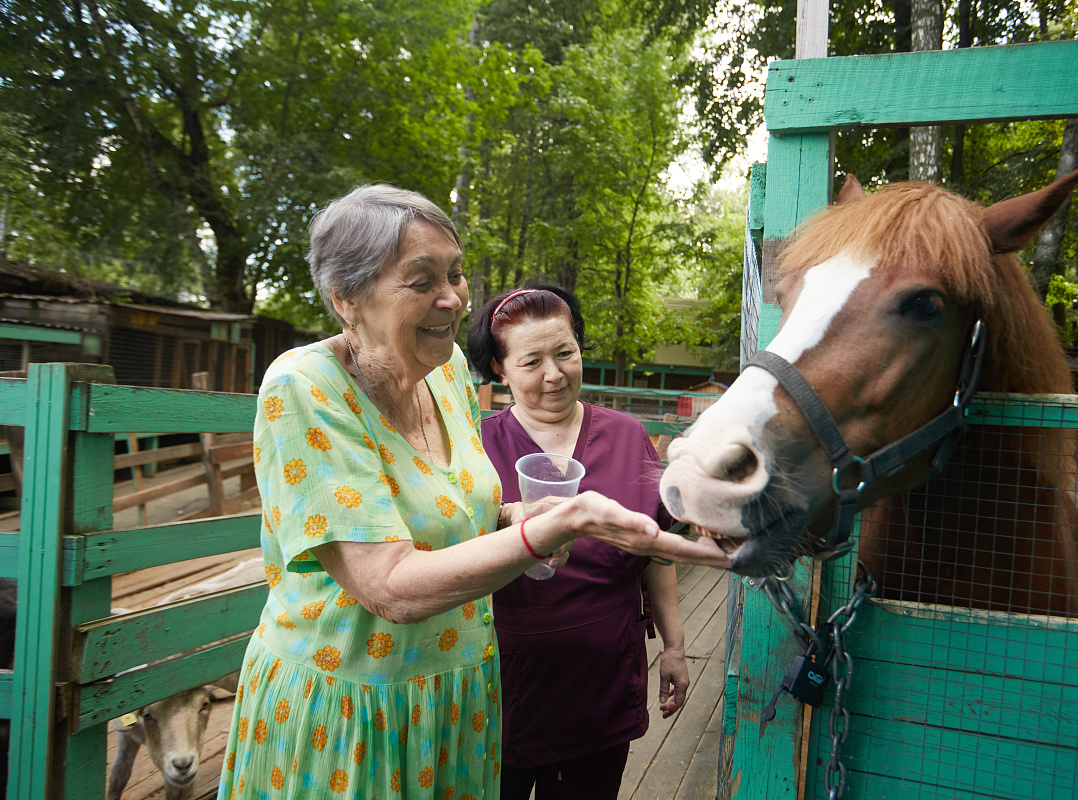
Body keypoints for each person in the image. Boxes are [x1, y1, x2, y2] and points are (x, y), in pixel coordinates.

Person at [217, 186, 729, 800]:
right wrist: (553, 527)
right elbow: (388, 587)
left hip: (459, 698)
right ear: (346, 299)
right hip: (356, 711)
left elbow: (471, 504)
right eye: (422, 279)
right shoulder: (304, 387)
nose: (453, 297)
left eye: (457, 274)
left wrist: (519, 510)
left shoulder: (449, 369)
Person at [467, 284, 690, 800]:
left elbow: (655, 549)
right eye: (531, 361)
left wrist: (676, 647)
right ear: (500, 370)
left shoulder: (629, 436)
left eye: (565, 352)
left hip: (602, 679)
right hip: (505, 683)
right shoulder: (475, 448)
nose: (554, 374)